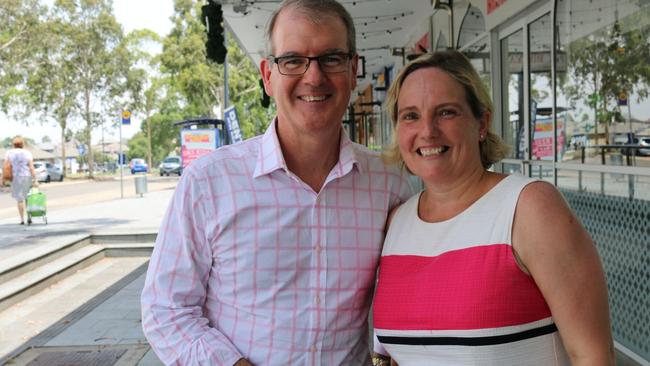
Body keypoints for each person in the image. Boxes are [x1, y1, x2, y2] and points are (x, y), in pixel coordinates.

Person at [140, 1, 412, 365]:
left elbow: (409, 293)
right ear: (268, 75)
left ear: (353, 70)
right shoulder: (209, 183)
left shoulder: (389, 182)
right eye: (293, 60)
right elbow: (165, 308)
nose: (313, 77)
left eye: (331, 58)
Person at [372, 51, 615, 365]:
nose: (427, 130)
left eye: (446, 112)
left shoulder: (528, 208)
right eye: (410, 116)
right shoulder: (397, 223)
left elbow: (594, 355)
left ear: (481, 122)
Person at [3, 136, 37, 225]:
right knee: (27, 198)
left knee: (19, 199)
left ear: (13, 145)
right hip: (26, 176)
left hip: (16, 177)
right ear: (22, 144)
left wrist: (3, 179)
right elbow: (31, 167)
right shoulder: (27, 153)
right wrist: (35, 179)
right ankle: (29, 218)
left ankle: (22, 219)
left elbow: (6, 166)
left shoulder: (9, 153)